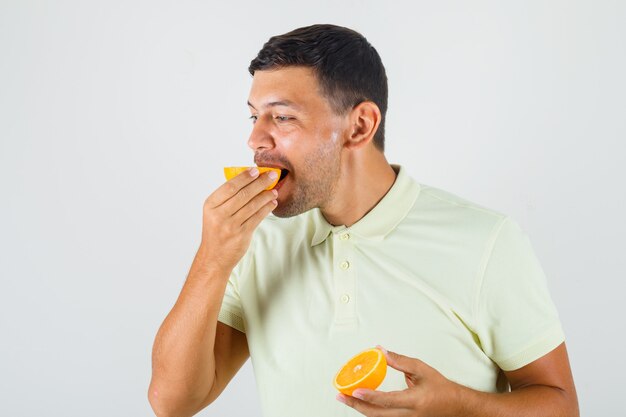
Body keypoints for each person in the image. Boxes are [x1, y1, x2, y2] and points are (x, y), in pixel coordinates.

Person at [148, 24, 579, 417]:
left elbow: (561, 405)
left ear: (359, 125)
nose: (255, 139)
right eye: (254, 115)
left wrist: (461, 406)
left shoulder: (488, 241)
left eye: (282, 117)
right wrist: (212, 257)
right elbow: (172, 402)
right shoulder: (256, 241)